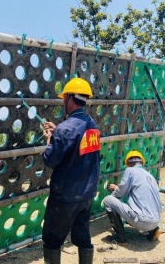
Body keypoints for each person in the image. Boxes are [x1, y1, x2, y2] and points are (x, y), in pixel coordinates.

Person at [41, 78, 100, 264]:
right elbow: (81, 147)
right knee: (83, 238)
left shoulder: (64, 130)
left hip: (65, 195)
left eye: (64, 98)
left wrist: (50, 140)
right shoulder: (92, 125)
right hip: (86, 194)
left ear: (69, 99)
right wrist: (58, 131)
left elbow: (50, 160)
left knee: (52, 241)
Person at [103, 150, 163, 245]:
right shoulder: (150, 176)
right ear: (142, 163)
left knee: (107, 200)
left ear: (129, 164)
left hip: (142, 221)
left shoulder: (130, 170)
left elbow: (120, 193)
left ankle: (120, 238)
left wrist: (114, 192)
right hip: (156, 221)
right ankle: (154, 230)